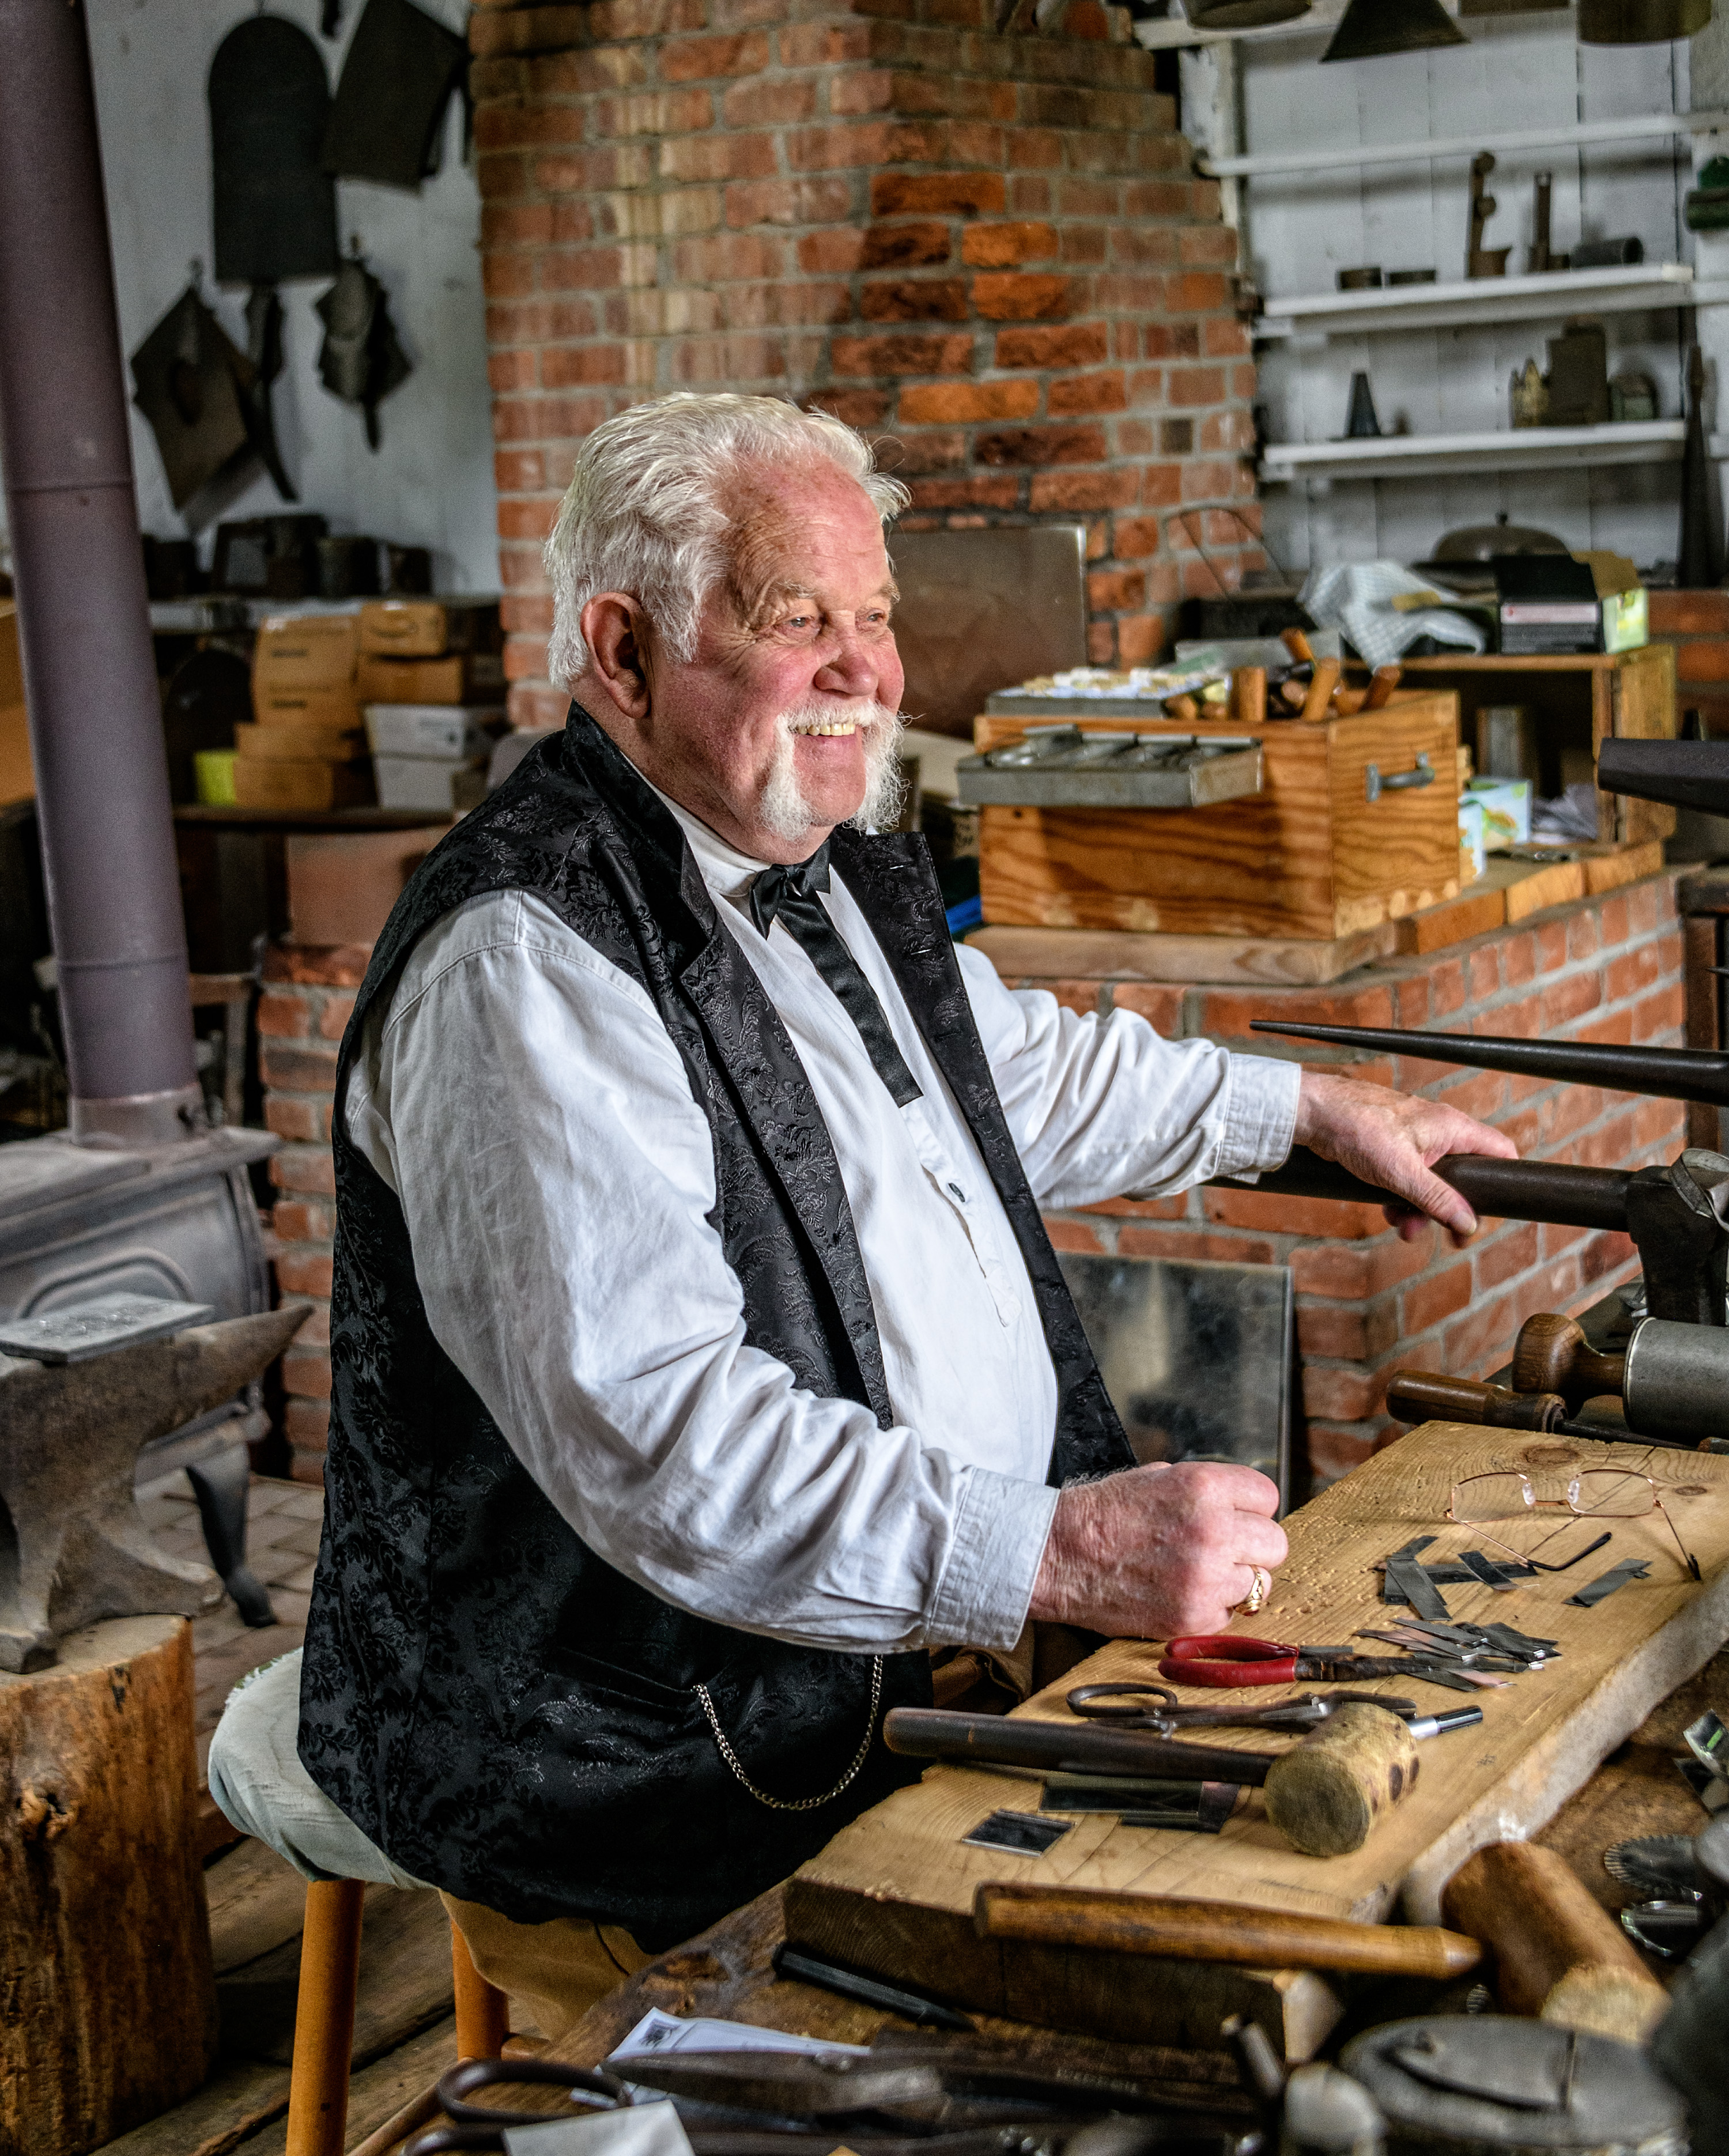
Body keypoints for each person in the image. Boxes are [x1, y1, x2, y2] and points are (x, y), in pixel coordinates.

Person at [296, 391, 1515, 2036]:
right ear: (623, 652)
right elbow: (662, 1436)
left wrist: (1304, 1111)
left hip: (908, 1700)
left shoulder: (827, 849)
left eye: (876, 616)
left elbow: (1008, 1074)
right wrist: (1057, 1548)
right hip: (655, 1794)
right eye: (798, 619)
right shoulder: (526, 958)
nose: (870, 669)